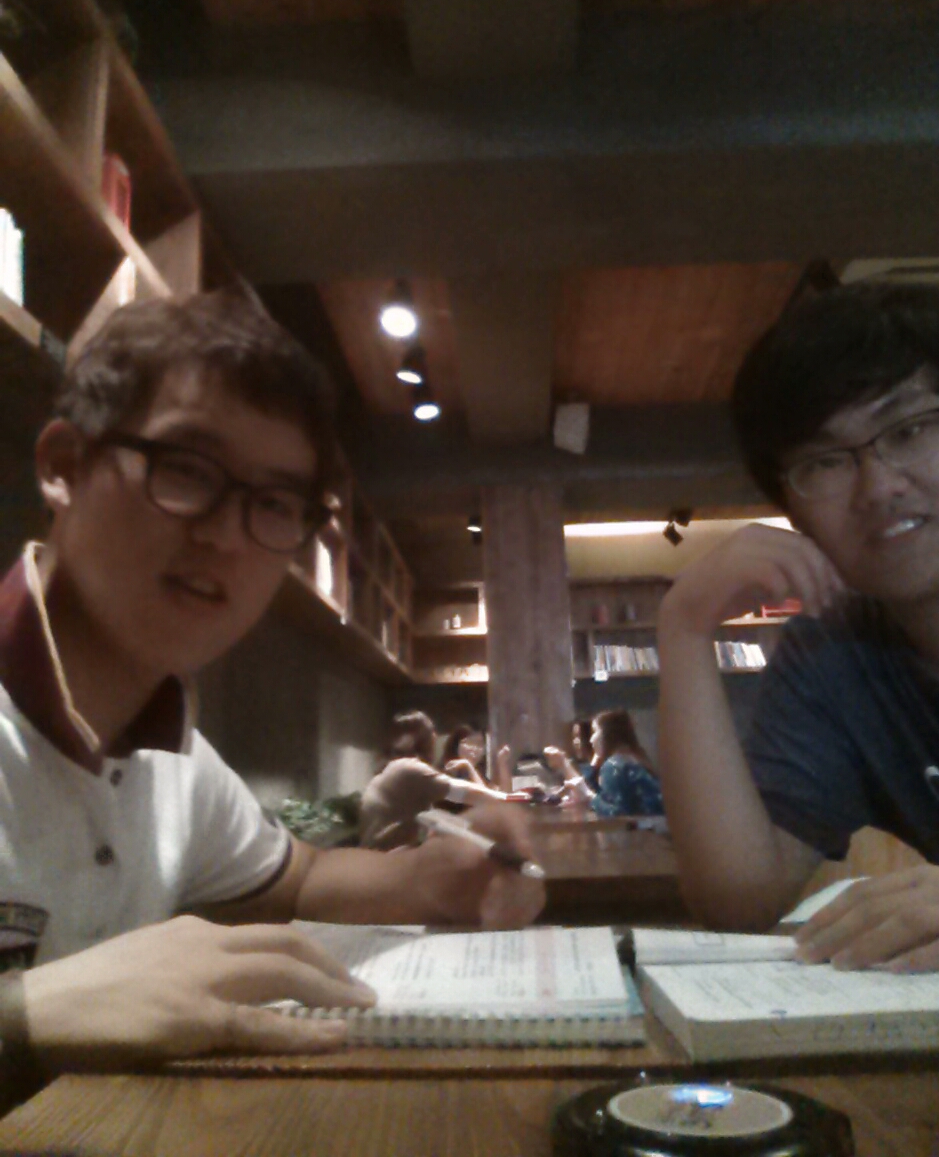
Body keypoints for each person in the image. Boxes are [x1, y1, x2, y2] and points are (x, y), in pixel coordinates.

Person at [0, 290, 544, 1105]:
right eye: (187, 470)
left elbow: (297, 878)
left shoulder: (171, 752)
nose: (226, 534)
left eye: (275, 505)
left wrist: (432, 879)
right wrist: (25, 1013)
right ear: (64, 467)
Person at [657, 280, 939, 973]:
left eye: (910, 429)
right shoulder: (836, 656)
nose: (877, 486)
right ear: (793, 510)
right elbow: (740, 900)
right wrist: (684, 625)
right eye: (825, 461)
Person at [359, 713, 507, 849]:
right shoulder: (410, 769)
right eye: (431, 733)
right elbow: (466, 794)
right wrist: (509, 800)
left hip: (384, 855)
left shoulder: (392, 769)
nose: (435, 737)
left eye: (480, 744)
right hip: (389, 859)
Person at [546, 711, 663, 817]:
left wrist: (588, 796)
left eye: (595, 732)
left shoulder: (614, 765)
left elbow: (617, 814)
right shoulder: (634, 759)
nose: (591, 739)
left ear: (608, 735)